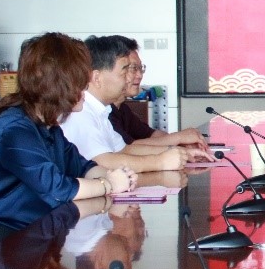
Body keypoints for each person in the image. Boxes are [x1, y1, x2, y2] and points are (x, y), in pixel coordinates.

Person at [0, 33, 137, 248]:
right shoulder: (15, 130)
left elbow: (82, 167)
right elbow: (58, 190)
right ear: (57, 85)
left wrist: (114, 175)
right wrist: (109, 184)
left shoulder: (48, 127)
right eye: (80, 82)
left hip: (29, 236)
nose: (85, 89)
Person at [60, 35, 204, 171]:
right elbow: (101, 161)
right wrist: (160, 162)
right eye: (124, 73)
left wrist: (179, 152)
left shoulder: (102, 110)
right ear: (97, 78)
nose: (129, 79)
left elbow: (125, 150)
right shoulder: (80, 112)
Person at [107, 36, 206, 149]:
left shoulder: (122, 109)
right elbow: (126, 148)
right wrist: (178, 138)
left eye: (140, 68)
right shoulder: (102, 111)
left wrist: (182, 142)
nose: (139, 75)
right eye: (133, 68)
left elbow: (151, 134)